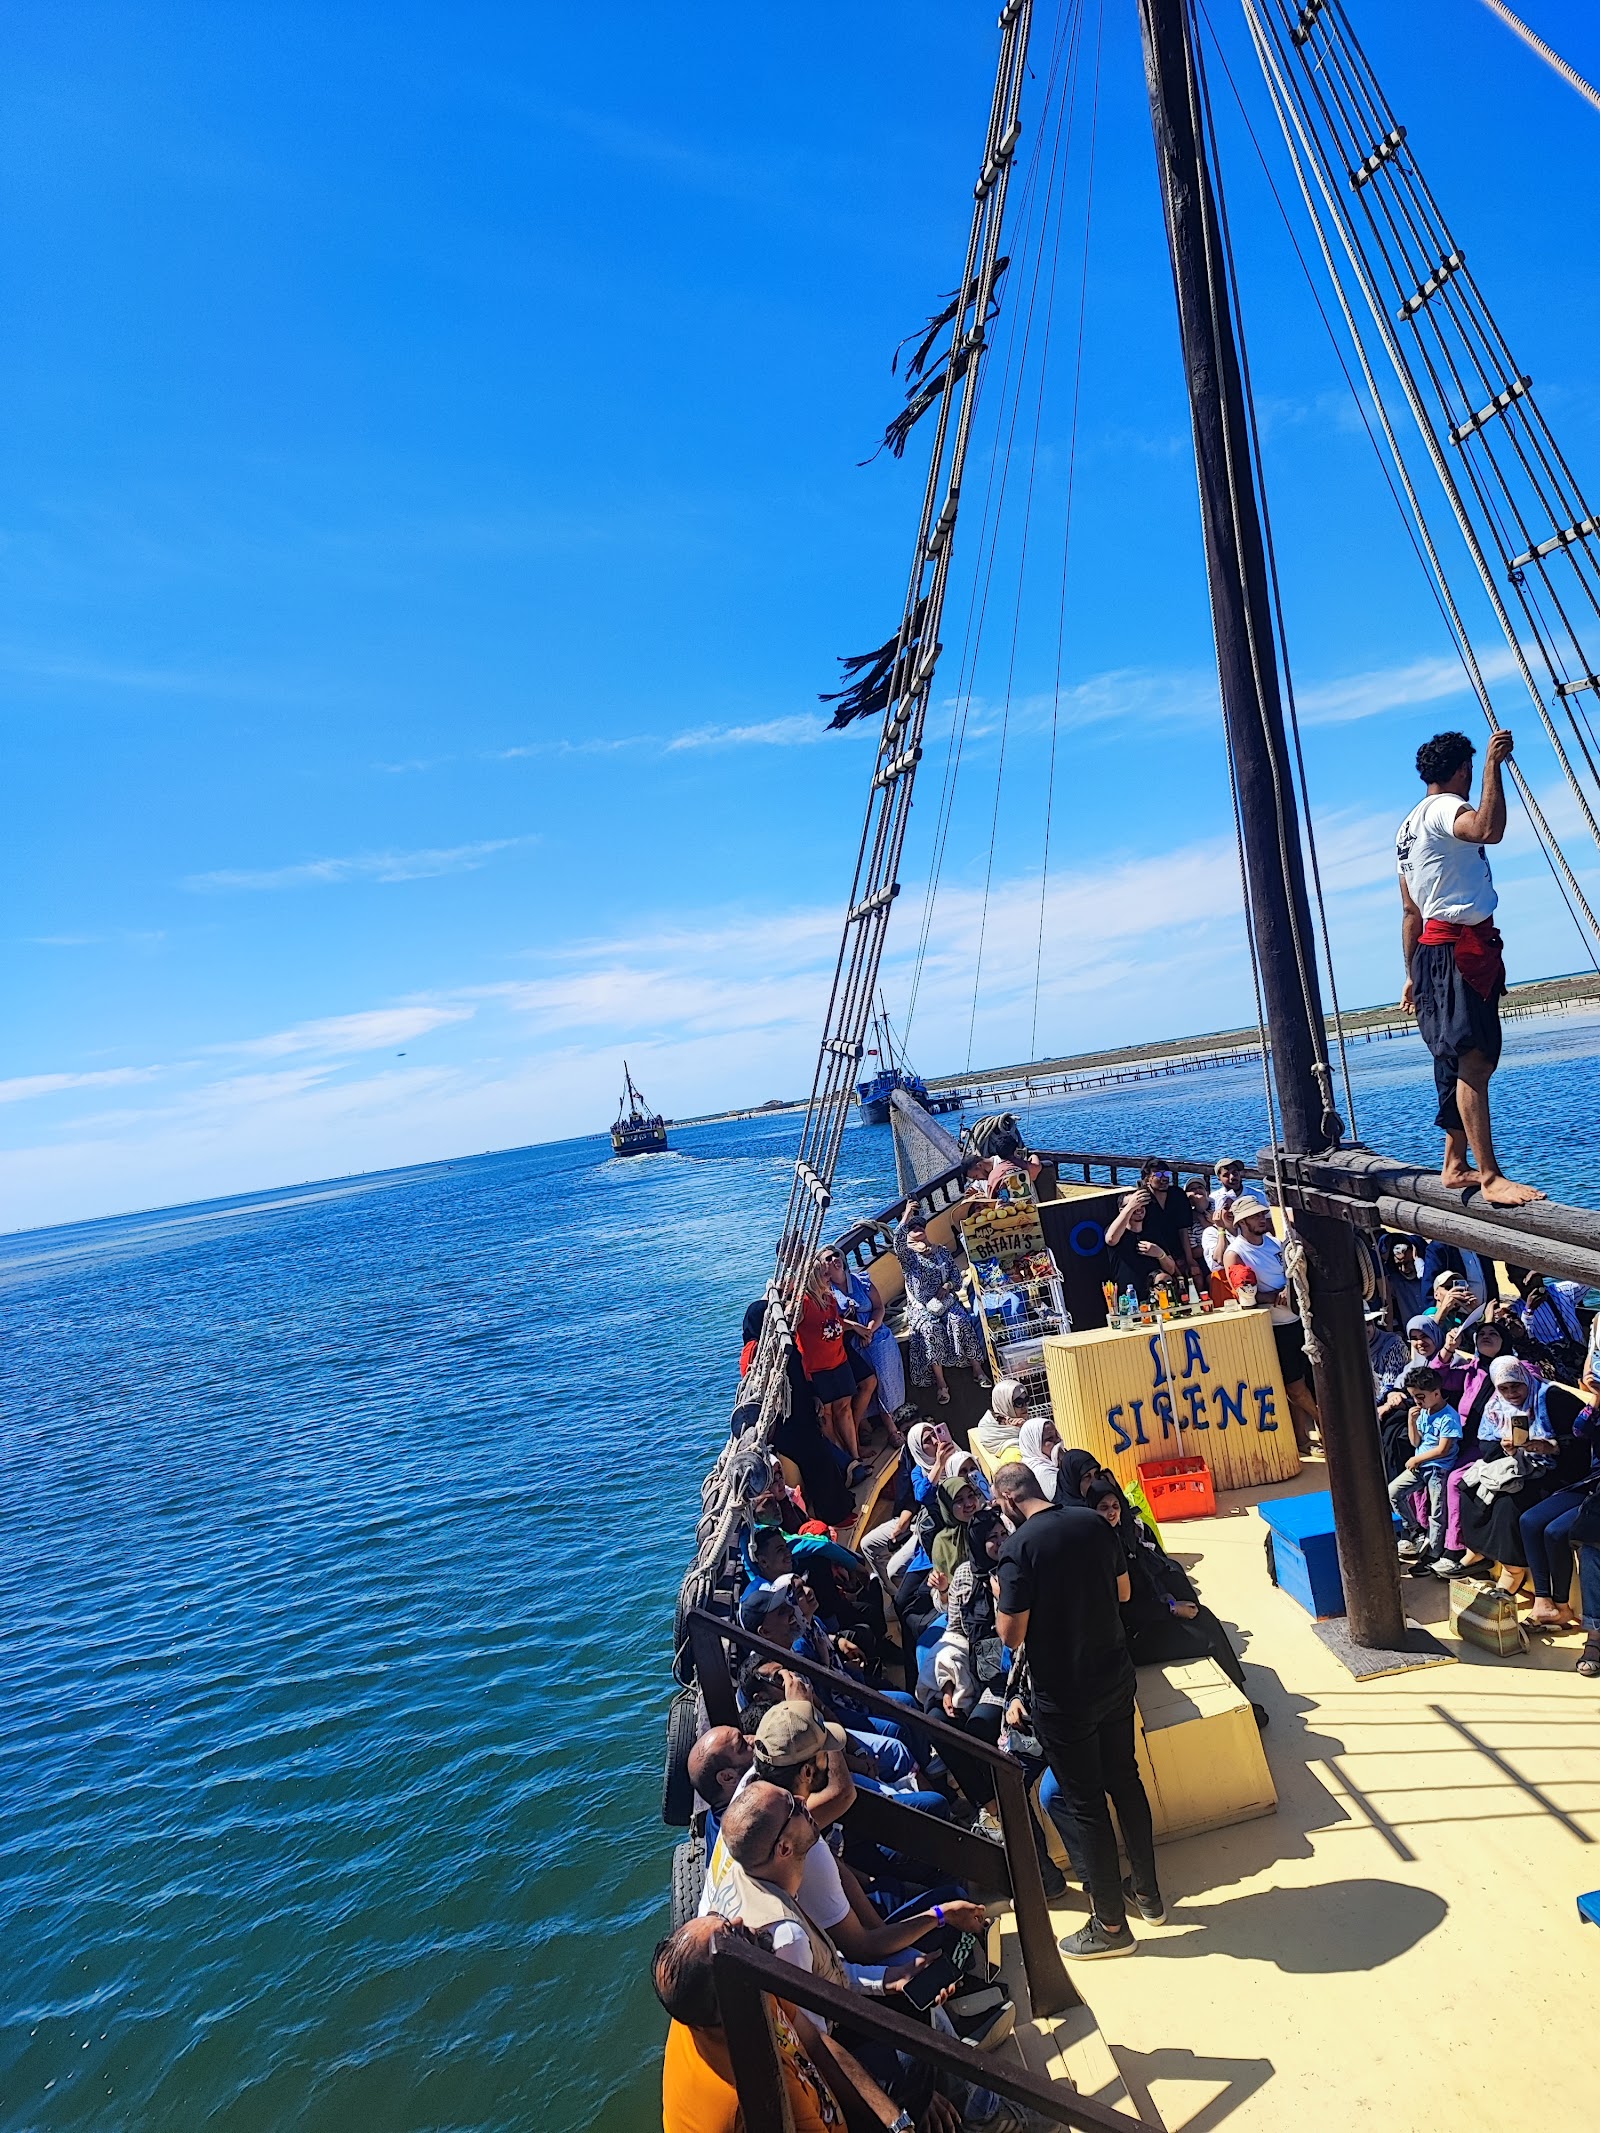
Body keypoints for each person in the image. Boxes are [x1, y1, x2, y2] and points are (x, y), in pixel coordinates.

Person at [991, 1459, 1163, 1960]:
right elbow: (1124, 1592)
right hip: (1114, 1677)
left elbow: (1011, 1634)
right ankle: (1148, 1895)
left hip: (1065, 1697)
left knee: (1085, 1803)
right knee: (1125, 1781)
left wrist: (1005, 1595)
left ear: (1005, 1501)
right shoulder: (1092, 1521)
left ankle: (1111, 1927)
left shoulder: (1016, 1550)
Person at [1396, 727, 1543, 1205]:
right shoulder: (1444, 810)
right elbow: (1487, 830)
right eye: (1470, 767)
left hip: (1433, 952)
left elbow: (1410, 912)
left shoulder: (1406, 828)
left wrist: (1412, 973)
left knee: (1454, 1061)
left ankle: (1454, 1163)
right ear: (1460, 769)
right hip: (1458, 951)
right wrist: (1493, 768)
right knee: (1474, 1061)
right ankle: (1490, 1176)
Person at [1083, 1478, 1267, 1728]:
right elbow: (1125, 1609)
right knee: (1207, 1638)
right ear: (1091, 1510)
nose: (1112, 1512)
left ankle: (1242, 1694)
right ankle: (1243, 1708)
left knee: (1205, 1618)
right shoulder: (1099, 1551)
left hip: (1150, 1618)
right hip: (1133, 1639)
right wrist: (1171, 1610)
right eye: (1103, 1507)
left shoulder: (1120, 1537)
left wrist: (1170, 1600)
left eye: (1115, 1505)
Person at [656, 1914, 859, 2133]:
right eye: (729, 1938)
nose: (738, 1919)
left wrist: (895, 2122)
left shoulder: (718, 2001)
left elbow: (815, 2041)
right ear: (727, 2000)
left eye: (719, 1917)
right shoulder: (756, 2090)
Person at [1222, 1200, 1320, 1454]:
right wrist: (1276, 1297)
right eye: (1255, 1216)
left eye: (1263, 1213)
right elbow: (1242, 1294)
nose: (1262, 1218)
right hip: (1274, 1326)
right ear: (1242, 1222)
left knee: (1302, 1383)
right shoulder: (1236, 1252)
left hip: (1297, 1319)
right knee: (1295, 1387)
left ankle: (1303, 1439)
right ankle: (1325, 1424)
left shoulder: (1274, 1243)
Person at [892, 1201, 990, 1405]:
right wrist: (907, 1215)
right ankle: (941, 1382)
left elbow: (956, 1277)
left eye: (920, 1225)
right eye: (912, 1227)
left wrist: (946, 1287)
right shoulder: (908, 1258)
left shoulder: (941, 1251)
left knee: (959, 1320)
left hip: (945, 1300)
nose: (917, 1228)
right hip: (922, 1306)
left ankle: (977, 1369)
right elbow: (897, 1241)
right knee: (930, 1329)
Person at [821, 1246, 906, 1436]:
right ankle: (865, 1421)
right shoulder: (827, 1294)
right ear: (823, 1268)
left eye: (836, 1255)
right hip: (851, 1340)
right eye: (828, 1258)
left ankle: (888, 1419)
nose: (834, 1259)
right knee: (864, 1375)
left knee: (883, 1367)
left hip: (875, 1331)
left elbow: (878, 1308)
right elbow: (833, 1322)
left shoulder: (862, 1281)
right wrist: (857, 1330)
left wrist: (869, 1330)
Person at [797, 1254, 869, 1472]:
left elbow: (836, 1322)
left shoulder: (829, 1299)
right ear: (813, 1278)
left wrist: (855, 1326)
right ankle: (847, 1464)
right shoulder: (803, 1305)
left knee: (844, 1409)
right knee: (826, 1417)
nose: (829, 1278)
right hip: (818, 1371)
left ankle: (855, 1456)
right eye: (824, 1274)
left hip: (839, 1362)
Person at [1389, 1364, 1463, 1565]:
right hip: (1420, 1466)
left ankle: (1434, 1552)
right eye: (1414, 1397)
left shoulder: (1449, 1417)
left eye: (1421, 1396)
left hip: (1438, 1468)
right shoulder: (1422, 1412)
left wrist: (1417, 1459)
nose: (1417, 1401)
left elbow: (1443, 1450)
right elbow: (1416, 1442)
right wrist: (1411, 1422)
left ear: (1437, 1393)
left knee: (1437, 1512)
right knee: (1393, 1492)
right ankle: (1415, 1529)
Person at [1103, 1190, 1180, 1303]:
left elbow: (1171, 1269)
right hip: (1129, 1297)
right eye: (1135, 1205)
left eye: (1141, 1204)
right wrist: (1130, 1207)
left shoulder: (1153, 1232)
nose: (1138, 1208)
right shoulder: (1117, 1232)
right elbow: (1111, 1239)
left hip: (1156, 1296)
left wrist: (1160, 1254)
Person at [972, 1378, 1028, 1465]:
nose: (1025, 1406)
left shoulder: (992, 1421)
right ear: (1005, 1404)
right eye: (1019, 1403)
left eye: (1026, 1400)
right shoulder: (1014, 1454)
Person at [1016, 1415, 1064, 1501]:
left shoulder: (1053, 1461)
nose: (1057, 1441)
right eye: (1049, 1439)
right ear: (1034, 1444)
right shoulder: (1042, 1473)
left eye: (1057, 1435)